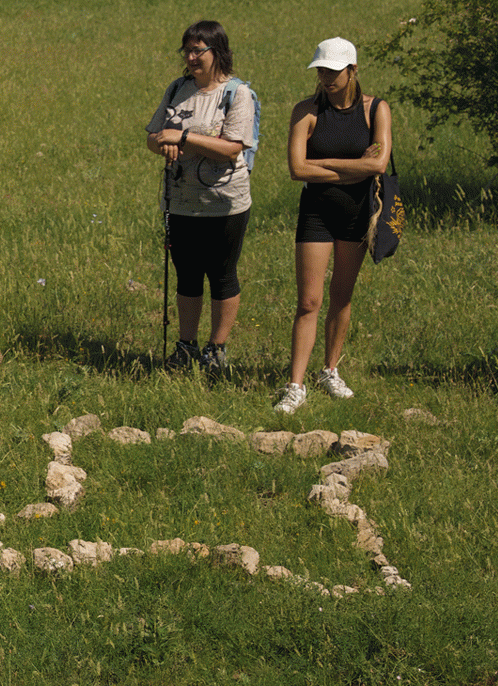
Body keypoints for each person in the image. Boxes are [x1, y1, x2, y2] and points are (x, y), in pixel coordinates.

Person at [274, 37, 391, 414]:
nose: (325, 77)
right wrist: (350, 165)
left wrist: (323, 167)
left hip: (358, 212)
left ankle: (330, 370)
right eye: (321, 70)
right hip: (316, 212)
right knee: (309, 300)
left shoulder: (376, 110)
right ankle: (296, 384)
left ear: (353, 70)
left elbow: (377, 165)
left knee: (342, 295)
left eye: (333, 71)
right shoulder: (305, 111)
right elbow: (297, 169)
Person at [144, 21, 256, 373]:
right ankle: (186, 345)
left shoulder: (237, 94)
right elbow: (152, 136)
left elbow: (232, 148)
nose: (191, 58)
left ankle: (216, 348)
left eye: (198, 51)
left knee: (222, 274)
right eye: (187, 51)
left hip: (225, 204)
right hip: (180, 201)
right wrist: (164, 142)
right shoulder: (178, 88)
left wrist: (184, 137)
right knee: (187, 275)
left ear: (217, 52)